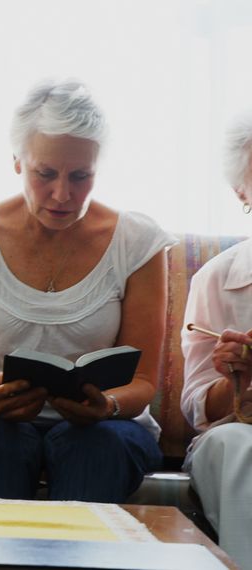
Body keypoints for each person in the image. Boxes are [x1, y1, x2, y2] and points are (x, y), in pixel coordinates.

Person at [0, 79, 173, 501]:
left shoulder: (138, 241)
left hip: (104, 425)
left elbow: (142, 380)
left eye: (81, 176)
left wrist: (106, 406)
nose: (62, 194)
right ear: (18, 162)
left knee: (98, 446)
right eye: (45, 173)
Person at [180, 110, 252, 569]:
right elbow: (197, 410)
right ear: (241, 191)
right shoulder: (217, 279)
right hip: (240, 435)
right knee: (238, 447)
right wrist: (236, 377)